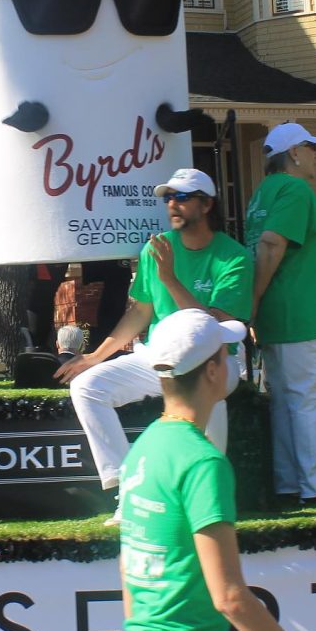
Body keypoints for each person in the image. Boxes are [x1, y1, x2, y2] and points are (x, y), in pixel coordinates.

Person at [118, 308, 316, 631]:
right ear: (214, 370)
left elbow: (130, 566)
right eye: (227, 353)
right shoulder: (202, 462)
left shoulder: (146, 447)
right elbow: (231, 598)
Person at [57, 168, 252, 518]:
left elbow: (211, 327)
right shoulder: (156, 248)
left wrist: (170, 279)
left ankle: (205, 502)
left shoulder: (234, 257)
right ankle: (130, 488)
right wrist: (95, 356)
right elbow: (140, 313)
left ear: (206, 205)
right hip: (157, 359)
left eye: (181, 197)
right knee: (87, 387)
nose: (172, 204)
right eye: (168, 198)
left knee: (209, 416)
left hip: (214, 363)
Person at [245, 122, 316, 505]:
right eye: (311, 147)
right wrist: (253, 300)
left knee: (286, 403)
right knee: (308, 403)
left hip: (275, 317)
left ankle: (289, 485)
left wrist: (254, 305)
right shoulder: (296, 188)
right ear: (295, 153)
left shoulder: (262, 193)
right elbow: (271, 244)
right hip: (301, 315)